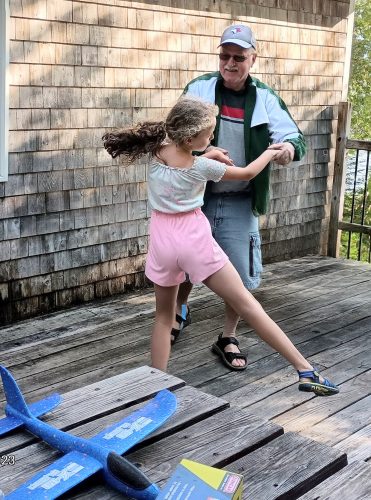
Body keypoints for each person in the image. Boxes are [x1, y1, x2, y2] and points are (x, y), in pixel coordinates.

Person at [103, 96, 338, 396]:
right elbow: (248, 173)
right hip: (193, 241)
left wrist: (208, 152)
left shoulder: (157, 149)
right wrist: (268, 152)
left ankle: (156, 385)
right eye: (208, 134)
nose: (212, 137)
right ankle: (305, 370)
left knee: (163, 318)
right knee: (248, 305)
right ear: (190, 138)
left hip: (162, 241)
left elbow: (185, 155)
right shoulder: (202, 167)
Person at [171, 24, 308, 370]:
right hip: (197, 197)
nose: (230, 63)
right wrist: (201, 149)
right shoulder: (200, 88)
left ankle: (227, 336)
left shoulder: (264, 97)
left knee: (238, 273)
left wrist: (288, 149)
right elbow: (173, 132)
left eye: (239, 57)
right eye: (225, 55)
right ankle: (177, 311)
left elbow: (295, 139)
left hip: (240, 199)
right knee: (185, 261)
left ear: (252, 58)